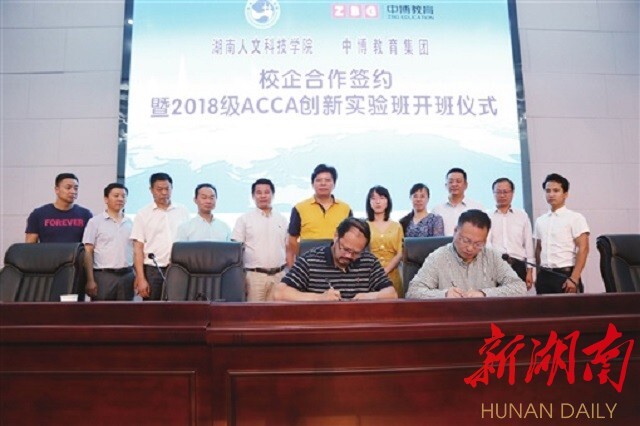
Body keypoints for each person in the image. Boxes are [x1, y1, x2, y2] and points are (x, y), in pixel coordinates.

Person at [406, 209, 526, 298]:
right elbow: (413, 292)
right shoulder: (437, 258)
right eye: (466, 240)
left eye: (478, 244)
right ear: (455, 231)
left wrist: (484, 294)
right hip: (450, 319)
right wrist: (444, 295)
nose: (470, 248)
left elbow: (519, 287)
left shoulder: (492, 256)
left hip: (484, 319)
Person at [274, 217, 397, 301]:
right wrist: (319, 298)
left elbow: (391, 294)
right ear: (336, 236)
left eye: (356, 253)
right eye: (346, 249)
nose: (349, 256)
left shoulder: (369, 262)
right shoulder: (309, 261)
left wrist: (370, 296)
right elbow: (280, 293)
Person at [130, 172, 190, 300]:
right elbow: (138, 248)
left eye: (167, 189)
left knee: (177, 306)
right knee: (153, 308)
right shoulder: (143, 214)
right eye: (159, 189)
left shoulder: (183, 211)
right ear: (151, 190)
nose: (164, 193)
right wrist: (140, 278)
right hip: (153, 269)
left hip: (178, 268)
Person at [232, 178, 288, 302]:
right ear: (253, 196)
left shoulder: (282, 219)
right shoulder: (244, 219)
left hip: (279, 276)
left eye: (267, 192)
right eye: (258, 192)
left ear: (273, 195)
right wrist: (240, 278)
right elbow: (237, 252)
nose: (263, 196)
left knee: (277, 312)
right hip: (255, 277)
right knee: (254, 313)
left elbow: (287, 247)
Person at [286, 163, 352, 267]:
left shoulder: (345, 209)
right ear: (312, 184)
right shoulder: (300, 208)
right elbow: (292, 241)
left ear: (334, 184)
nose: (323, 183)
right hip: (309, 265)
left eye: (327, 180)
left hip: (338, 265)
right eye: (319, 180)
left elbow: (351, 239)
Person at [534, 173, 589, 294]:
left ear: (565, 194)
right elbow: (538, 249)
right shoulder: (540, 220)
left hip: (565, 275)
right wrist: (538, 274)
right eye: (548, 191)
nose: (551, 194)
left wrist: (574, 278)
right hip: (544, 276)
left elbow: (583, 248)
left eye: (556, 190)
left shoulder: (575, 218)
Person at [82, 183, 134, 301]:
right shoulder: (95, 222)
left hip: (127, 276)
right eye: (116, 195)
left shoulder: (131, 223)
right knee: (101, 311)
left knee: (127, 311)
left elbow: (135, 251)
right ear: (106, 199)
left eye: (123, 196)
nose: (120, 199)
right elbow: (88, 252)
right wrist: (90, 280)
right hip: (103, 276)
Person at [487, 177, 535, 290]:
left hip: (518, 265)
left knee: (518, 299)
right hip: (495, 266)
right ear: (493, 193)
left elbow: (528, 244)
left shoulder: (522, 215)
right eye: (498, 192)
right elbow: (486, 243)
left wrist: (530, 272)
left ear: (512, 193)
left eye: (505, 192)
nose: (502, 195)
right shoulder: (487, 216)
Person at [25, 173, 93, 243]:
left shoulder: (86, 215)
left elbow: (90, 244)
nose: (73, 191)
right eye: (68, 188)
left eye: (76, 188)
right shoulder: (38, 214)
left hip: (76, 250)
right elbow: (30, 246)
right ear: (57, 190)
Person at [366, 186, 404, 297]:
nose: (377, 202)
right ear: (369, 203)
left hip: (392, 274)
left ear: (388, 202)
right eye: (373, 198)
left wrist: (385, 271)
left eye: (381, 198)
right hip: (370, 274)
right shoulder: (364, 225)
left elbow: (400, 253)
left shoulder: (397, 226)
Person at [432, 168, 484, 236]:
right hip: (444, 243)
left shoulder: (477, 207)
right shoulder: (437, 210)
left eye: (458, 181)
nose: (454, 184)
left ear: (465, 185)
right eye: (451, 182)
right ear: (446, 185)